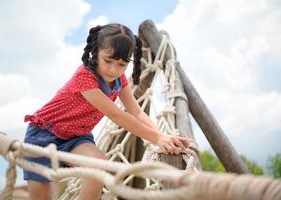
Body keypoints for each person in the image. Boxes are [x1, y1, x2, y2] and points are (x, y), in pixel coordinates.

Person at [23, 23, 190, 200]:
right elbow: (117, 115)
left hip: (75, 138)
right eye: (108, 61)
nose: (113, 69)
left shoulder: (120, 80)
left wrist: (162, 137)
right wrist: (157, 138)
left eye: (121, 64)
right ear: (95, 53)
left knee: (99, 165)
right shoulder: (85, 76)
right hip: (44, 135)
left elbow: (137, 112)